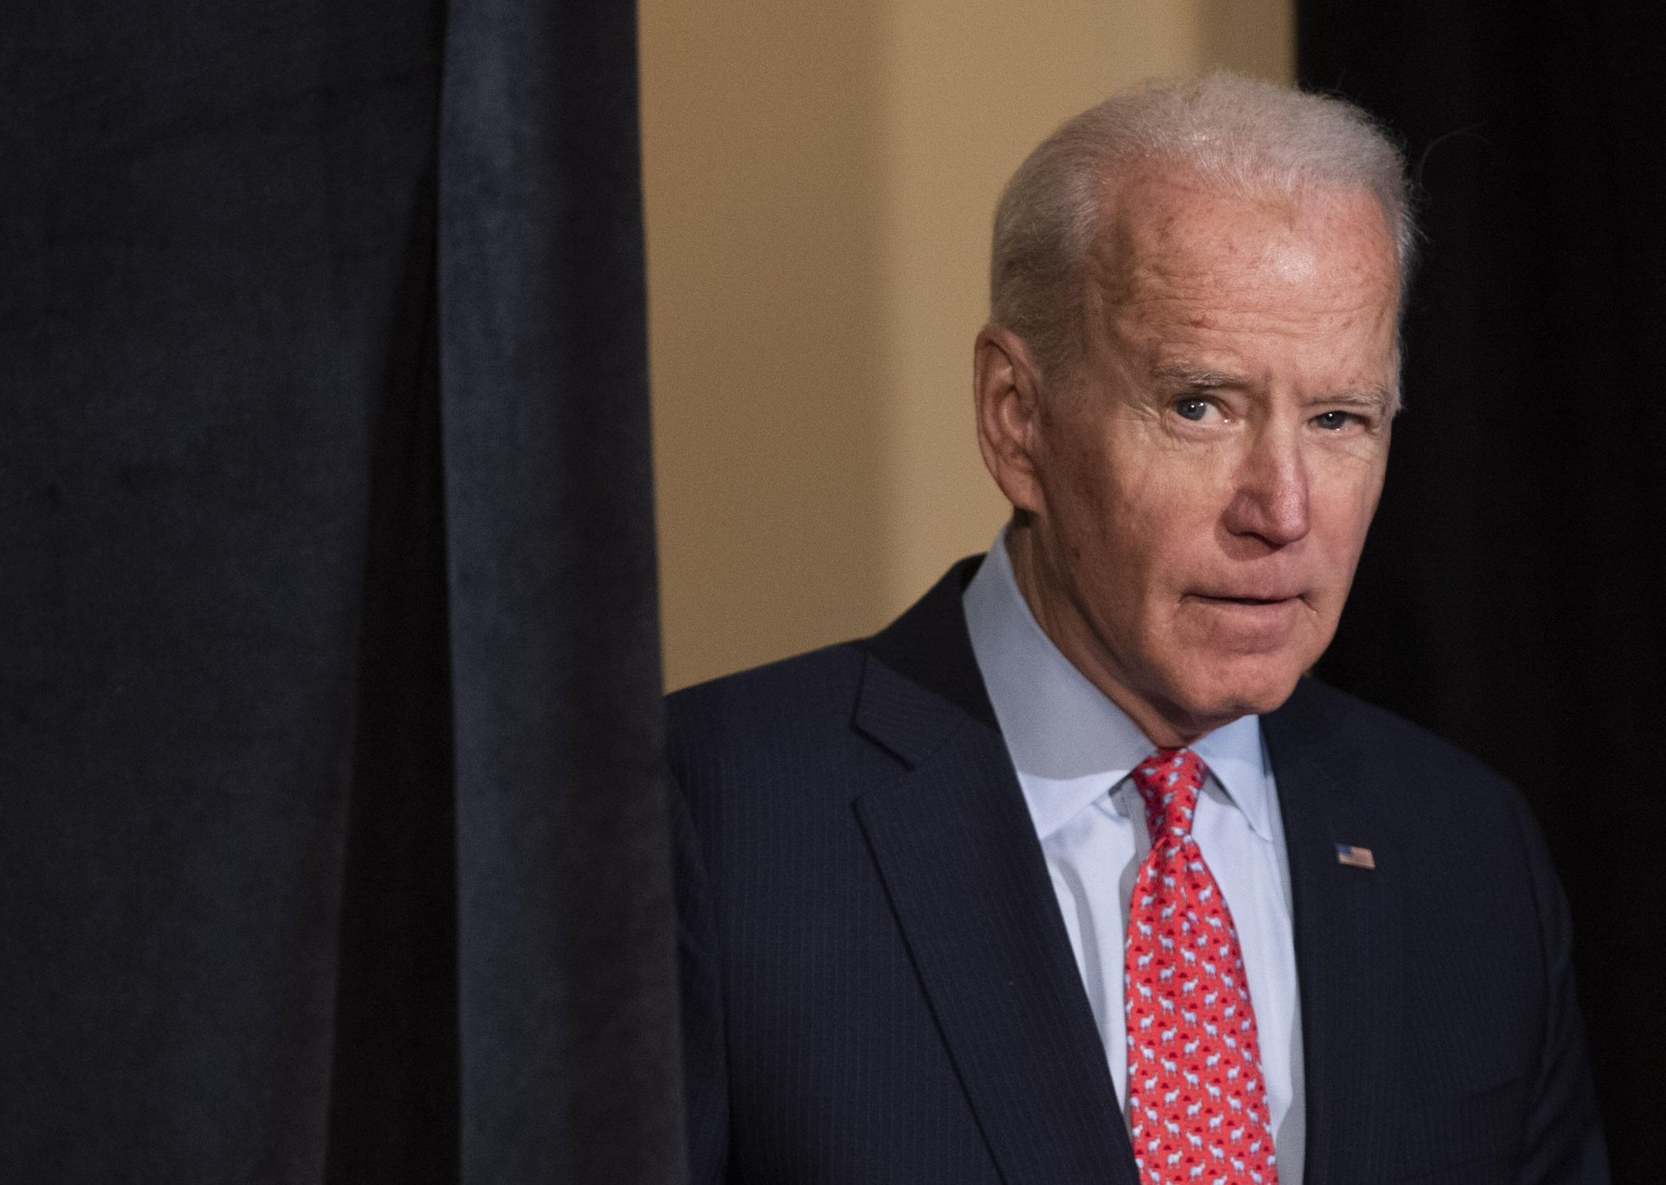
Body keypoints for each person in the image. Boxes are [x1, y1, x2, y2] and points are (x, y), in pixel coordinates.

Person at [667, 73, 1607, 1184]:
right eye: (1200, 405)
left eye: (1340, 418)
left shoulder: (1465, 846)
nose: (1283, 510)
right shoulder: (705, 818)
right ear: (1017, 420)